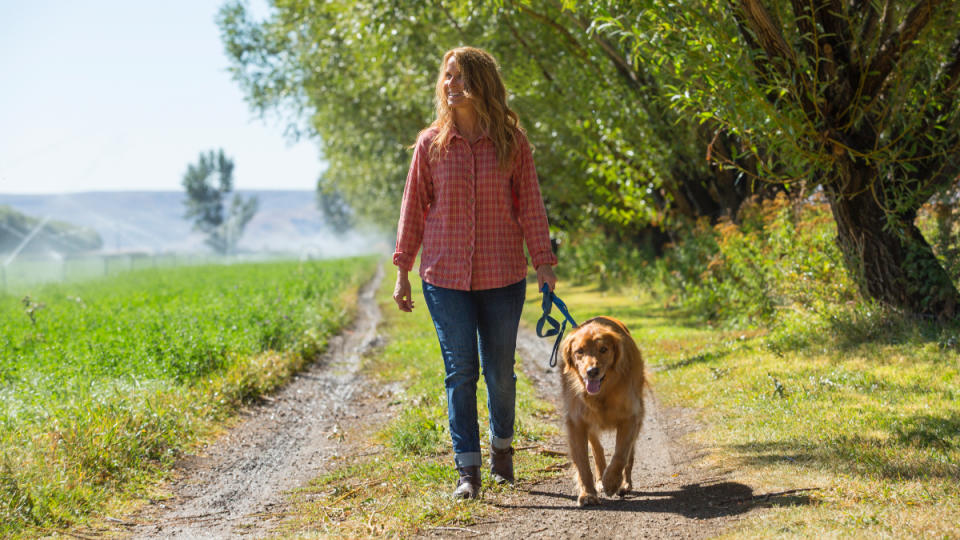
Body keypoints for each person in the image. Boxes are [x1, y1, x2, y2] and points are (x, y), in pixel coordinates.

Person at [392, 46, 558, 499]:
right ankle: (468, 470)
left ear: (482, 83)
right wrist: (403, 269)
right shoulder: (430, 145)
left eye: (461, 77)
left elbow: (531, 206)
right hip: (444, 278)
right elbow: (413, 209)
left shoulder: (511, 141)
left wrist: (543, 263)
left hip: (503, 275)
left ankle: (502, 448)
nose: (452, 85)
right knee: (460, 371)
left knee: (500, 371)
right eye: (447, 77)